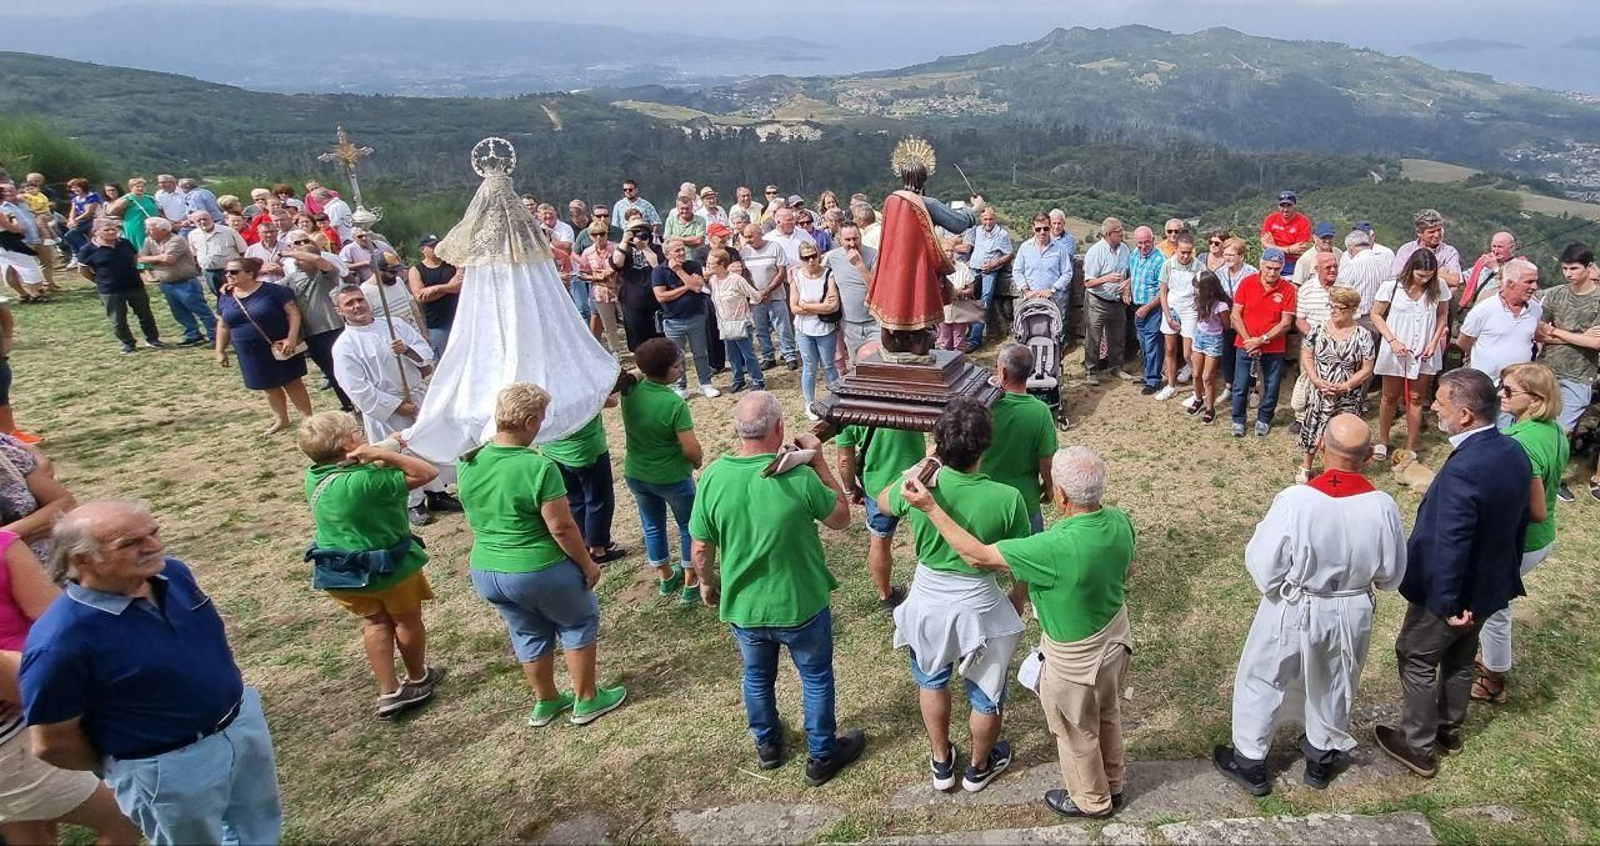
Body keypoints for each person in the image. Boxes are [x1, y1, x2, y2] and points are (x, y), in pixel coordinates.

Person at [20, 500, 282, 845]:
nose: (153, 546)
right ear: (82, 560)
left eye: (153, 532)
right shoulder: (59, 641)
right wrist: (133, 764)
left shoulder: (174, 574)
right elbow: (52, 742)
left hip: (241, 725)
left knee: (259, 829)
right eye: (130, 543)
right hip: (167, 766)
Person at [900, 446, 1134, 819]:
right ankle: (1115, 783)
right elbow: (1128, 570)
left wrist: (930, 507)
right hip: (1116, 639)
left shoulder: (1051, 547)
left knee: (1077, 732)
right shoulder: (1120, 522)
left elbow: (977, 555)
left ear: (1060, 495)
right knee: (1107, 713)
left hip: (1076, 659)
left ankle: (1091, 800)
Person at [1213, 414, 1406, 795]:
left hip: (1295, 603)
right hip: (1351, 607)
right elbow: (1391, 574)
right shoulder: (1383, 506)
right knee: (1337, 677)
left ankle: (1250, 760)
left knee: (1265, 675)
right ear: (1369, 456)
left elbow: (1264, 565)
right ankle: (1321, 756)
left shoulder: (1296, 500)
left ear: (1319, 446)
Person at [688, 391, 864, 785]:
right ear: (780, 427)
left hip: (746, 607)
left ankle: (767, 744)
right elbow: (840, 518)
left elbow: (700, 547)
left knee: (756, 676)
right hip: (801, 602)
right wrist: (819, 461)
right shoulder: (799, 476)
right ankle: (822, 754)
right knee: (815, 678)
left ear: (738, 429)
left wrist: (707, 583)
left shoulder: (713, 477)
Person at [1375, 369, 1531, 778]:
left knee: (1416, 655)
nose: (1433, 407)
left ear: (1464, 414)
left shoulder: (1466, 467)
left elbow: (1451, 542)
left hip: (1452, 593)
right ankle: (1448, 730)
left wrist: (1447, 603)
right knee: (1460, 657)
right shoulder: (1514, 451)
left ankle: (1418, 746)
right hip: (1488, 587)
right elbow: (1519, 523)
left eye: (1440, 402)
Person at [458, 383, 628, 727]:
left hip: (488, 570)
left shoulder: (469, 461)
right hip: (538, 568)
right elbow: (562, 527)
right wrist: (587, 565)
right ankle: (587, 699)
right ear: (530, 421)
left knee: (528, 632)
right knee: (577, 622)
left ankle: (546, 701)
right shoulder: (538, 467)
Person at [884, 398, 1030, 793]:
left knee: (931, 679)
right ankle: (979, 767)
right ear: (985, 445)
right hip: (981, 604)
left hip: (928, 597)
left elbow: (883, 503)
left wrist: (917, 467)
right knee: (987, 693)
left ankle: (941, 760)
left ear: (938, 443)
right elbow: (1022, 561)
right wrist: (1018, 598)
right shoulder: (1007, 498)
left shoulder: (917, 486)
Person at [0, 527, 143, 845]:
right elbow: (53, 622)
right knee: (126, 815)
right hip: (13, 738)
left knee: (27, 826)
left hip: (16, 730)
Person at [298, 412, 445, 717]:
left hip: (343, 573)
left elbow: (351, 468)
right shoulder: (367, 481)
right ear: (346, 445)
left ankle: (388, 691)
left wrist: (385, 445)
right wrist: (385, 454)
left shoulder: (315, 476)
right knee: (406, 621)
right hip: (389, 570)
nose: (362, 434)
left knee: (375, 623)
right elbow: (426, 473)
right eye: (357, 432)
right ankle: (418, 677)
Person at [1472, 362, 1567, 703]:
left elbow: (1535, 509)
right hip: (1543, 538)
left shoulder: (1519, 444)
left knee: (1494, 607)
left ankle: (1493, 679)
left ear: (1536, 399)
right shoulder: (1554, 431)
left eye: (1509, 390)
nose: (1500, 394)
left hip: (1522, 542)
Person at [328, 285, 458, 524]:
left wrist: (406, 350)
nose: (357, 306)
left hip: (416, 396)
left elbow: (425, 351)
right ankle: (413, 502)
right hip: (387, 409)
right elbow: (356, 387)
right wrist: (397, 405)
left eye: (360, 300)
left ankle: (437, 492)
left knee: (424, 442)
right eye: (349, 303)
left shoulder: (394, 325)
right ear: (339, 310)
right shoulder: (345, 345)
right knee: (398, 452)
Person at [866, 139, 980, 359]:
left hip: (893, 270)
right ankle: (917, 341)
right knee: (919, 313)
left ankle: (896, 341)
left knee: (897, 309)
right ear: (924, 178)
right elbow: (958, 223)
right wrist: (975, 209)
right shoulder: (926, 203)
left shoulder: (891, 201)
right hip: (918, 271)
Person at [621, 338, 704, 604]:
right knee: (688, 525)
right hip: (672, 476)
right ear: (665, 370)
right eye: (677, 366)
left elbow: (634, 374)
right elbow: (690, 448)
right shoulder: (674, 404)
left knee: (652, 525)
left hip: (637, 473)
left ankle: (665, 576)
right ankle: (691, 579)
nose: (681, 369)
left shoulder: (630, 390)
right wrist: (697, 461)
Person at [836, 411, 926, 612]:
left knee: (880, 540)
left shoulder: (847, 407)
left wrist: (850, 488)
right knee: (933, 533)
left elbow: (844, 460)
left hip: (878, 486)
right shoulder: (911, 395)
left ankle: (886, 595)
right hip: (919, 480)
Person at [215, 257, 313, 434]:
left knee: (292, 382)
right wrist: (220, 350)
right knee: (268, 386)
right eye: (226, 272)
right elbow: (223, 325)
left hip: (279, 345)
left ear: (250, 274)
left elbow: (294, 313)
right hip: (249, 351)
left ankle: (307, 418)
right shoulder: (226, 296)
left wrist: (291, 338)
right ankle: (281, 419)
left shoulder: (274, 291)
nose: (228, 275)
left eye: (234, 272)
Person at [1371, 248, 1451, 459]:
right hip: (1396, 348)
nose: (1425, 280)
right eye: (1420, 275)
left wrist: (1434, 342)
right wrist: (1392, 340)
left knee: (1416, 397)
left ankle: (1412, 444)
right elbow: (1376, 314)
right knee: (1389, 396)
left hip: (1424, 348)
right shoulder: (1392, 286)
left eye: (1429, 276)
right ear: (1411, 269)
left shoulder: (1439, 286)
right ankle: (1383, 440)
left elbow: (1442, 314)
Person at [1536, 243, 1600, 501]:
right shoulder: (1555, 294)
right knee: (1539, 424)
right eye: (1565, 268)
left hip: (1580, 373)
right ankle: (1534, 475)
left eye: (1574, 268)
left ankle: (1552, 479)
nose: (1568, 274)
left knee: (1564, 431)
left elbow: (1596, 343)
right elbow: (1538, 333)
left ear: (1588, 267)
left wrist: (1555, 332)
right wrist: (1577, 336)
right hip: (1548, 368)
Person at [1296, 288, 1375, 483]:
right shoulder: (1318, 330)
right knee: (1313, 425)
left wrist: (1346, 386)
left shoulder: (1363, 335)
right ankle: (1306, 467)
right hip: (1320, 389)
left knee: (1343, 434)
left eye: (1339, 308)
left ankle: (1337, 469)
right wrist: (1316, 380)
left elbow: (1367, 368)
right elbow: (1307, 354)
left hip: (1348, 394)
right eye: (1331, 306)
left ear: (1352, 310)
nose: (1333, 311)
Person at [984, 344, 1058, 532]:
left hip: (987, 501)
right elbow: (1046, 460)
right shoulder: (1040, 411)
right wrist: (1049, 487)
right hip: (1025, 502)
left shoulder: (985, 407)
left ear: (1003, 373)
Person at [281, 229, 354, 412]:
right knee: (330, 371)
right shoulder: (291, 279)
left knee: (344, 367)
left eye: (301, 259)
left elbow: (318, 260)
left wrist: (290, 253)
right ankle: (347, 404)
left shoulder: (326, 275)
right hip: (310, 332)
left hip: (332, 328)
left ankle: (357, 400)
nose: (296, 262)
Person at [1229, 249, 1297, 438]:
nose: (1272, 272)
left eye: (1277, 269)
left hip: (1273, 347)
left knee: (1272, 385)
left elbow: (1285, 323)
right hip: (1245, 344)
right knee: (1240, 384)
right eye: (1268, 267)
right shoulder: (1247, 283)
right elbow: (1235, 315)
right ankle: (1238, 420)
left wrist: (1262, 340)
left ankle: (1264, 419)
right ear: (1261, 265)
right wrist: (1249, 341)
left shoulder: (1288, 289)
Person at [75, 219, 164, 354]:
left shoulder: (125, 243)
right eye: (107, 230)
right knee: (118, 320)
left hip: (134, 285)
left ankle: (153, 339)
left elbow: (135, 258)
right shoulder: (87, 250)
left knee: (145, 314)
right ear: (96, 232)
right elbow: (83, 270)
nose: (111, 232)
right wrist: (98, 280)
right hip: (110, 290)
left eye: (114, 229)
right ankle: (128, 343)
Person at [1458, 259, 1541, 388]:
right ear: (1510, 283)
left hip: (1518, 385)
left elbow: (1532, 338)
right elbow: (1463, 342)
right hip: (1484, 383)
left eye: (1535, 281)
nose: (1534, 287)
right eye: (1529, 282)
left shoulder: (1536, 310)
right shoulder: (1484, 309)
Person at [652, 239, 719, 398]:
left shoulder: (693, 265)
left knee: (701, 353)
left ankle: (705, 383)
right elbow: (661, 296)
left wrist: (679, 271)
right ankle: (680, 386)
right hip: (672, 320)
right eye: (677, 250)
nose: (682, 253)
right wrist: (686, 286)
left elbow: (697, 288)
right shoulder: (659, 271)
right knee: (676, 355)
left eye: (682, 249)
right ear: (667, 254)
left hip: (696, 316)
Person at [136, 218, 215, 346]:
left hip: (186, 283)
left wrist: (152, 260)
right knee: (179, 312)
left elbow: (170, 260)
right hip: (166, 284)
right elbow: (140, 258)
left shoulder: (177, 240)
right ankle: (193, 334)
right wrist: (160, 257)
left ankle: (214, 335)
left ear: (163, 230)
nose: (147, 232)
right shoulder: (148, 241)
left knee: (201, 310)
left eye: (150, 229)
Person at [1287, 251, 1340, 436]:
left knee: (1335, 380)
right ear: (1317, 269)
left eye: (1335, 266)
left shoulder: (1345, 287)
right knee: (1308, 379)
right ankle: (1302, 417)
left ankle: (1331, 417)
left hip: (1339, 344)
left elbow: (1353, 316)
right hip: (1312, 344)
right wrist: (1318, 338)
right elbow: (1300, 320)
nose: (1333, 270)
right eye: (1328, 267)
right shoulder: (1306, 289)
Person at [789, 241, 840, 420]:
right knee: (809, 367)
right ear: (800, 259)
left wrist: (806, 305)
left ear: (819, 255)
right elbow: (794, 308)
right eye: (806, 258)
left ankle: (836, 399)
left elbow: (833, 306)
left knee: (829, 365)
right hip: (804, 330)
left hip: (825, 329)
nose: (811, 261)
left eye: (813, 256)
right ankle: (809, 403)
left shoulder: (829, 275)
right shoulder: (797, 277)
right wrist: (820, 306)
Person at [1081, 218, 1132, 385]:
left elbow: (1130, 273)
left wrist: (1127, 284)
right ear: (1109, 234)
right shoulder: (1095, 252)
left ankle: (1115, 367)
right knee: (1093, 338)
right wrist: (1106, 278)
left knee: (1118, 337)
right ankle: (1091, 371)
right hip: (1098, 301)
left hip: (1117, 301)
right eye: (1119, 231)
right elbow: (1088, 282)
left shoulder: (1125, 249)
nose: (1122, 234)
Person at [706, 249, 765, 392]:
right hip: (724, 324)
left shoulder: (736, 280)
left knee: (748, 354)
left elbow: (756, 296)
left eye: (711, 263)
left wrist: (745, 309)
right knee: (731, 354)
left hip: (740, 323)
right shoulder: (713, 280)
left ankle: (758, 379)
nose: (708, 266)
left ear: (722, 264)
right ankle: (738, 379)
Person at [740, 223, 796, 369]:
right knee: (761, 329)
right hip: (756, 298)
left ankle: (789, 355)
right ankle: (768, 357)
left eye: (751, 236)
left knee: (783, 328)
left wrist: (768, 290)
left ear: (760, 234)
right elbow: (744, 274)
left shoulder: (775, 247)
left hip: (776, 296)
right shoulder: (744, 252)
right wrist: (755, 292)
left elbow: (781, 272)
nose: (748, 240)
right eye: (746, 237)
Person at [1013, 213, 1074, 346]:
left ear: (1050, 227)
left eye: (1045, 228)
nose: (1042, 232)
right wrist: (1026, 290)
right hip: (1031, 299)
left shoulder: (1060, 249)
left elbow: (1067, 273)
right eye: (1038, 229)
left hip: (1054, 299)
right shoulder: (1025, 248)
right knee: (1028, 332)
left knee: (1055, 333)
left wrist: (1052, 289)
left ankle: (1056, 353)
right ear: (1033, 228)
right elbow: (1017, 271)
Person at [824, 222, 879, 367]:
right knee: (857, 366)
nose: (852, 243)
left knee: (878, 365)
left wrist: (859, 265)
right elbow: (824, 275)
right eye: (847, 240)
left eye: (855, 238)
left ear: (861, 236)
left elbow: (877, 289)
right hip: (850, 324)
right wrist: (831, 288)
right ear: (839, 240)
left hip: (874, 323)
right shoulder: (833, 257)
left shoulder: (874, 255)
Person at [959, 207, 1015, 349]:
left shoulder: (1001, 234)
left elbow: (1009, 254)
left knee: (983, 304)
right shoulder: (977, 231)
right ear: (981, 219)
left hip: (989, 272)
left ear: (995, 219)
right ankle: (961, 336)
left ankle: (974, 340)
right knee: (967, 300)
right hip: (973, 269)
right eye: (985, 219)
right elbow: (968, 247)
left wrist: (994, 264)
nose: (988, 222)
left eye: (990, 219)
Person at [1156, 233, 1202, 401]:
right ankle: (1171, 385)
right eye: (1182, 252)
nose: (1185, 256)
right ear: (1176, 249)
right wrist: (1168, 316)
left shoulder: (1199, 267)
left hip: (1190, 311)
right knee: (1169, 350)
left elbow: (1202, 293)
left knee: (1188, 353)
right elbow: (1163, 292)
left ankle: (1198, 391)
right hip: (1172, 309)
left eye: (1189, 252)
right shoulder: (1168, 265)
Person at [610, 219, 664, 352]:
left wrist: (644, 247)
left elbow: (657, 266)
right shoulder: (625, 250)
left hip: (654, 299)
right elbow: (617, 263)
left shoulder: (656, 248)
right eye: (635, 232)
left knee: (657, 336)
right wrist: (624, 241)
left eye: (642, 231)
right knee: (636, 337)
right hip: (631, 299)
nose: (639, 235)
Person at [1213, 237, 1257, 399]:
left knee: (1249, 353)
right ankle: (1229, 386)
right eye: (1225, 254)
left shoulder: (1252, 273)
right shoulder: (1219, 273)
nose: (1227, 258)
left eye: (1231, 255)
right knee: (1228, 353)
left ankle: (1252, 389)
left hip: (1247, 320)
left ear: (1241, 256)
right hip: (1227, 321)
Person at [1127, 226, 1168, 395]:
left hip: (1153, 308)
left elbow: (1164, 290)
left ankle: (1153, 380)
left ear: (1153, 240)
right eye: (1139, 243)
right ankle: (1147, 374)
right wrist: (1126, 289)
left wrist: (1148, 307)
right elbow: (1133, 277)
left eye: (1146, 242)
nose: (1143, 246)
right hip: (1138, 307)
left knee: (1153, 344)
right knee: (1143, 343)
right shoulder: (1134, 255)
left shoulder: (1161, 260)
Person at [1189, 270, 1232, 425]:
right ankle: (1198, 399)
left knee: (1208, 376)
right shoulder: (1198, 300)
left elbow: (1227, 325)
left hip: (1213, 340)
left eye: (1198, 287)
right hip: (1199, 336)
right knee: (1196, 373)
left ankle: (1210, 408)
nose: (1195, 290)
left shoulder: (1221, 306)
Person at [1392, 209, 1463, 292]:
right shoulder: (1406, 250)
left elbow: (1455, 281)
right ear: (1419, 232)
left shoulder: (1449, 252)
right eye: (1431, 232)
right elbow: (1398, 278)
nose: (1437, 235)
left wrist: (1418, 273)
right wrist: (1439, 272)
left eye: (1439, 230)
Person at [186, 210, 247, 298]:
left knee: (235, 293)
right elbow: (194, 254)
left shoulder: (229, 232)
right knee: (218, 295)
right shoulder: (192, 235)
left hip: (229, 271)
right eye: (199, 220)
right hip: (209, 272)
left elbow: (243, 251)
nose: (202, 222)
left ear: (211, 218)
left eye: (205, 219)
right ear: (194, 222)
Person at [1259, 191, 1312, 278]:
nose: (1285, 209)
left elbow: (1299, 251)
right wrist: (1289, 250)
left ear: (1295, 205)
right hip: (1271, 260)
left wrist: (1273, 247)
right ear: (1278, 206)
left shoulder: (1303, 222)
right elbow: (1264, 244)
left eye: (1289, 206)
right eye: (1282, 206)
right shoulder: (1270, 219)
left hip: (1292, 264)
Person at [104, 177, 161, 253]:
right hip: (136, 225)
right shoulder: (127, 199)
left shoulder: (149, 198)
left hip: (152, 226)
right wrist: (123, 215)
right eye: (137, 186)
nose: (140, 188)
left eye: (142, 186)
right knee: (140, 246)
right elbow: (112, 211)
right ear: (131, 187)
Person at [1290, 221, 1343, 288]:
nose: (1327, 241)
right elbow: (1297, 285)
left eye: (1330, 237)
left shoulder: (1339, 254)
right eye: (1323, 237)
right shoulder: (1305, 259)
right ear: (1315, 238)